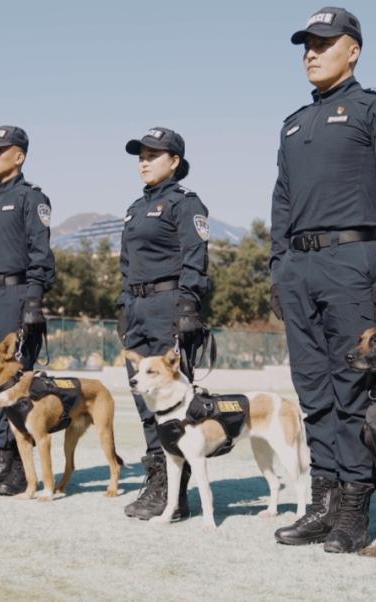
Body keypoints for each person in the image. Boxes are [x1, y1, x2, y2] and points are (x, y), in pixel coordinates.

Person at [269, 7, 376, 552]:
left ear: (352, 49)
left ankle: (356, 507)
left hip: (353, 261)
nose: (310, 53)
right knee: (312, 390)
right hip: (299, 267)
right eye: (305, 45)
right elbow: (282, 200)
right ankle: (324, 502)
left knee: (353, 388)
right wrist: (277, 265)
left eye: (323, 43)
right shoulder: (293, 123)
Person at [118, 127, 211, 520]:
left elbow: (196, 256)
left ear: (174, 162)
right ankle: (158, 478)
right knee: (145, 401)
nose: (143, 160)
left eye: (153, 155)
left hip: (167, 305)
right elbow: (125, 264)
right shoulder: (135, 209)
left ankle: (176, 493)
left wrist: (189, 305)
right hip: (137, 309)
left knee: (174, 402)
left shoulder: (185, 204)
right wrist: (123, 306)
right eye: (140, 154)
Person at [0, 126, 56, 496]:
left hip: (15, 296)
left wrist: (33, 300)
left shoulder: (32, 198)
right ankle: (3, 462)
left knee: (18, 385)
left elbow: (41, 254)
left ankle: (23, 468)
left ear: (19, 156)